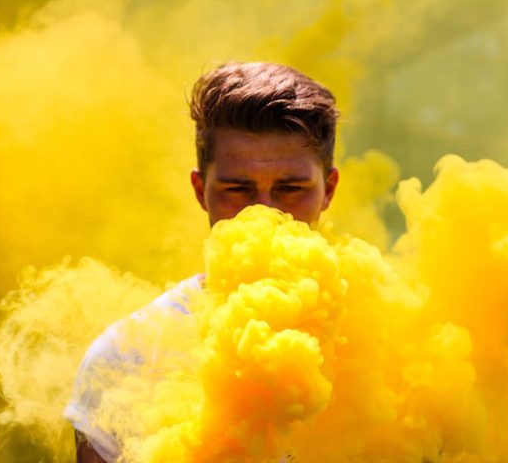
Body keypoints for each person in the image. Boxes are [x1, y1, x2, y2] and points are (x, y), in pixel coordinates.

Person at [65, 61, 341, 462]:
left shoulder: (390, 347)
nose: (262, 212)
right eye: (237, 188)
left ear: (328, 189)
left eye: (291, 188)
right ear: (200, 190)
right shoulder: (127, 356)